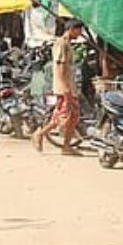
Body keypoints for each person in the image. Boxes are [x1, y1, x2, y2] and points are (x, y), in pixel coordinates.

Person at [33, 20, 84, 155]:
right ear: (72, 29)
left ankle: (66, 146)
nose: (80, 33)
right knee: (62, 116)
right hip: (64, 87)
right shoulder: (61, 44)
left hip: (69, 86)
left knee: (73, 116)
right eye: (79, 30)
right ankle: (40, 134)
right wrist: (66, 87)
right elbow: (61, 66)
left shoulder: (67, 44)